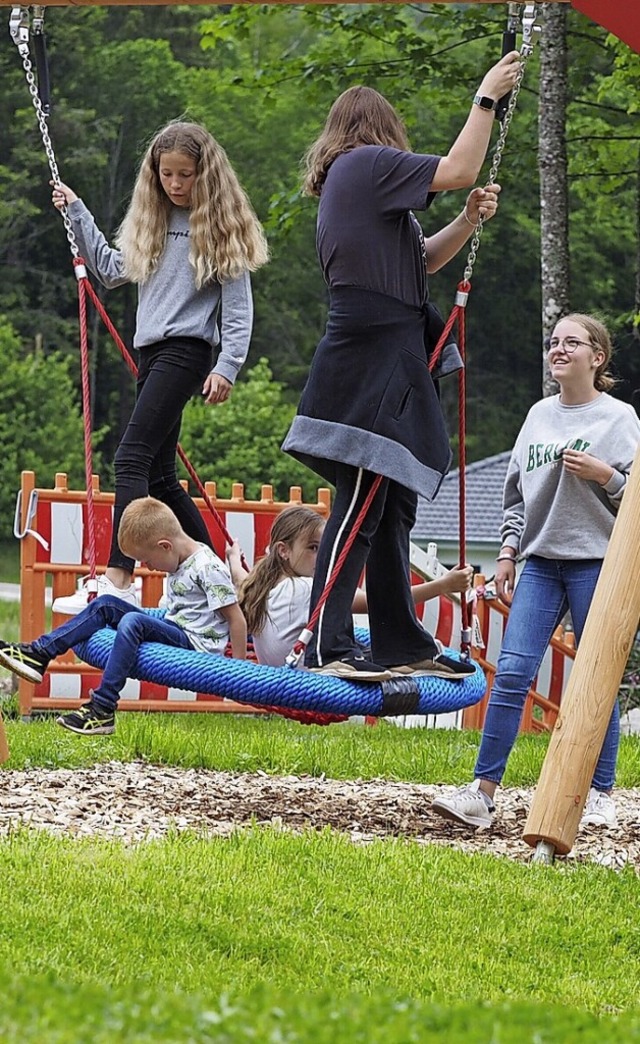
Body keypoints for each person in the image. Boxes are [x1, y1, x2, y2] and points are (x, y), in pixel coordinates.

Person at [282, 56, 521, 681]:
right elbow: (461, 167)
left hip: (383, 346)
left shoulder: (363, 192)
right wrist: (485, 98)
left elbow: (423, 264)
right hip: (374, 353)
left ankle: (398, 641)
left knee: (391, 507)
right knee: (362, 500)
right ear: (379, 130)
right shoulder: (364, 165)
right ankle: (328, 643)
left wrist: (466, 220)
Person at [50, 121, 268, 615]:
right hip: (150, 354)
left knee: (129, 459)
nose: (175, 184)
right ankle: (226, 578)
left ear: (204, 174)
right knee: (163, 478)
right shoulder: (153, 217)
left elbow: (238, 309)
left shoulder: (218, 229)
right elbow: (108, 270)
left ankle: (118, 579)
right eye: (166, 174)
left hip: (187, 352)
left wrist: (228, 367)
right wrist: (78, 213)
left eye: (185, 175)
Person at [432, 314, 640, 830]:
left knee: (598, 680)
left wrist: (607, 476)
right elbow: (515, 498)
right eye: (554, 342)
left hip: (600, 564)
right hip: (541, 564)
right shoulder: (539, 416)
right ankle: (481, 795)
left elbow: (635, 498)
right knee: (512, 675)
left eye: (573, 342)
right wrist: (506, 552)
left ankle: (599, 794)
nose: (559, 349)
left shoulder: (620, 419)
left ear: (598, 357)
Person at [0, 497, 247, 736]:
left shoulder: (206, 567)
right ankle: (38, 653)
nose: (147, 567)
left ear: (165, 546)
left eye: (147, 560)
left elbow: (236, 619)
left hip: (195, 645)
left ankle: (103, 707)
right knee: (105, 604)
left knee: (132, 621)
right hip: (176, 627)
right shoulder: (177, 558)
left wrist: (237, 672)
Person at [226, 506, 474, 669]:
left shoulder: (261, 587)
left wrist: (233, 558)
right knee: (402, 652)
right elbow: (379, 603)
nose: (322, 557)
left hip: (285, 674)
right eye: (313, 548)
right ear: (283, 551)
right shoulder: (304, 589)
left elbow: (240, 577)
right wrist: (444, 585)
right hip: (312, 679)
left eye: (324, 549)